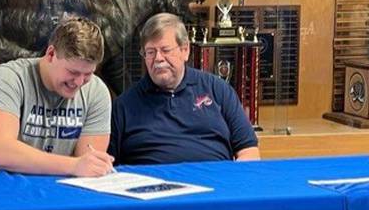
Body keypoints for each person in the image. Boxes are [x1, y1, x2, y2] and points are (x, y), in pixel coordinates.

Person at [0, 17, 114, 176]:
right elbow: (0, 152)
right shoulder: (7, 78)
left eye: (88, 74)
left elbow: (88, 165)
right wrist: (74, 166)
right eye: (73, 72)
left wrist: (88, 165)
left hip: (54, 190)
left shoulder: (96, 91)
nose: (79, 82)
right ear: (50, 54)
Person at [109, 12, 260, 165]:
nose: (158, 59)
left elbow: (248, 150)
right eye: (150, 52)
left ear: (185, 50)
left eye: (165, 50)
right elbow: (109, 166)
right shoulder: (124, 106)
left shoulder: (218, 90)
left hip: (215, 183)